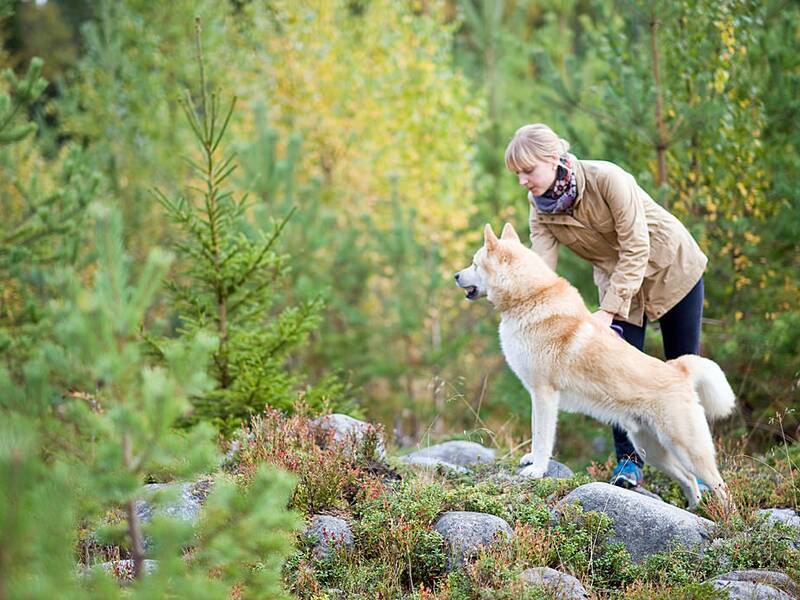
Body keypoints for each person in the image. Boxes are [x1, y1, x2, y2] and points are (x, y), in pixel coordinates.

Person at [504, 123, 708, 489]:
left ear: (553, 159)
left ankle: (702, 475)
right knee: (613, 372)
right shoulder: (540, 209)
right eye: (518, 174)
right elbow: (540, 270)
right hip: (617, 285)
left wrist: (607, 312)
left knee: (680, 376)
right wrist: (515, 299)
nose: (523, 181)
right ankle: (629, 466)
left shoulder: (608, 178)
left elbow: (637, 247)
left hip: (672, 270)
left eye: (528, 170)